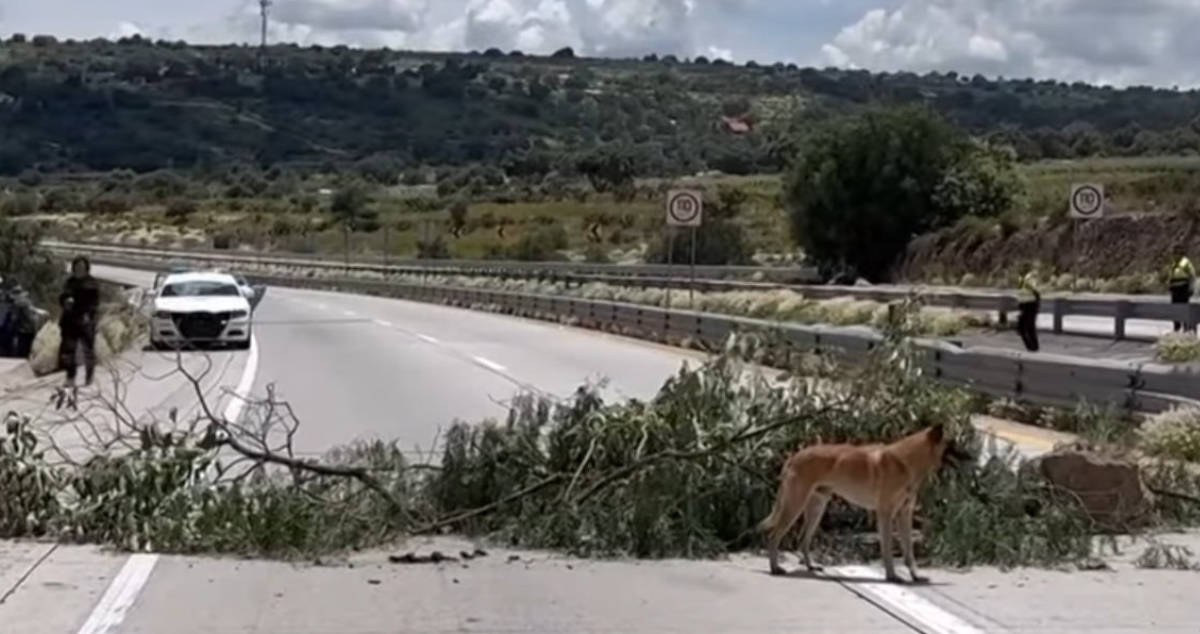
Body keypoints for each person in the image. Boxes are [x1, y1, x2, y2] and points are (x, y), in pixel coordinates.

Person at [58, 255, 100, 387]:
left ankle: (89, 375)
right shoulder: (70, 282)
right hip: (69, 321)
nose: (79, 269)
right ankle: (70, 376)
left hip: (85, 321)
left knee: (88, 350)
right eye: (77, 267)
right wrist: (65, 301)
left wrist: (88, 315)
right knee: (68, 350)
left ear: (86, 268)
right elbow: (62, 297)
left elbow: (95, 303)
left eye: (82, 267)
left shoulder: (92, 284)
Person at [1167, 248, 1196, 333]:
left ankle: (1186, 327)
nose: (1175, 255)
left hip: (1183, 288)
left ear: (1181, 254)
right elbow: (1171, 276)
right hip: (1174, 289)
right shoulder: (1173, 263)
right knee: (1175, 309)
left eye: (1177, 253)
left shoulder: (1186, 262)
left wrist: (1191, 288)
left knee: (1184, 308)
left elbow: (1192, 276)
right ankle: (1176, 326)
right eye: (1174, 253)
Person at [1016, 266, 1041, 352]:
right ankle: (1031, 347)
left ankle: (1033, 347)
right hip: (1024, 304)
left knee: (1029, 326)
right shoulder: (1021, 279)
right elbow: (1021, 292)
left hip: (1031, 304)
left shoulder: (1030, 278)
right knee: (1021, 328)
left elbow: (1035, 290)